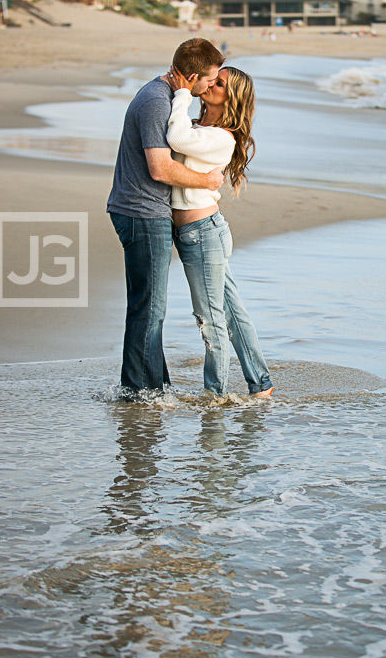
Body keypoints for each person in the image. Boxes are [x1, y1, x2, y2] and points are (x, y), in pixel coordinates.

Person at [107, 38, 225, 396]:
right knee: (150, 308)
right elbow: (160, 169)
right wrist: (208, 180)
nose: (209, 88)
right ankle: (140, 392)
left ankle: (154, 387)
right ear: (191, 76)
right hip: (142, 212)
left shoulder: (162, 96)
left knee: (149, 306)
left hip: (141, 210)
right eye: (208, 80)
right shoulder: (157, 101)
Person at [166, 65, 273, 399]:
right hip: (197, 235)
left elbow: (177, 137)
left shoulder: (222, 138)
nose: (210, 84)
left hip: (202, 235)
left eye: (220, 83)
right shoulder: (201, 127)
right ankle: (261, 384)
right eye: (213, 79)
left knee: (210, 319)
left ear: (232, 97)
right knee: (232, 312)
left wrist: (182, 92)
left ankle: (216, 396)